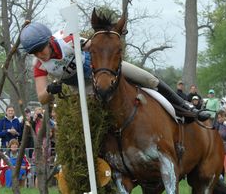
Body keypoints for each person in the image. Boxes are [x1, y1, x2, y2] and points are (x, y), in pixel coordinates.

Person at [20, 21, 210, 121]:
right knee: (94, 114)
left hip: (100, 71)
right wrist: (51, 90)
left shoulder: (67, 40)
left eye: (40, 49)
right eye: (34, 52)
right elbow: (42, 97)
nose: (39, 55)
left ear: (49, 42)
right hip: (81, 87)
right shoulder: (39, 66)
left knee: (148, 79)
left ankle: (187, 108)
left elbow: (98, 47)